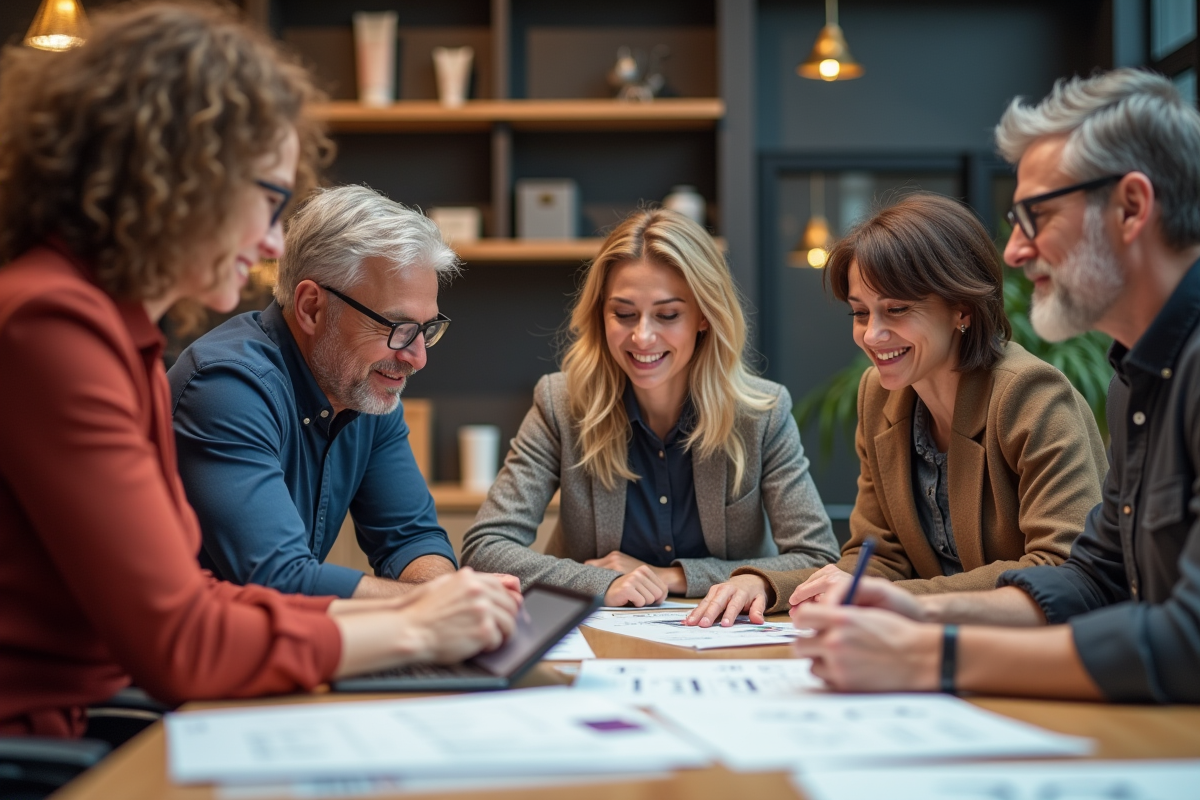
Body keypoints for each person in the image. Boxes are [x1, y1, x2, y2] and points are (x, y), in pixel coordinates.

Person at [0, 2, 517, 738]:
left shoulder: (120, 338)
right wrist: (419, 627)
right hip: (47, 746)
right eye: (270, 202)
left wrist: (427, 608)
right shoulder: (54, 326)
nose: (274, 243)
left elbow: (205, 600)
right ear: (176, 178)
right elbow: (184, 640)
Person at [788, 69, 1200, 703]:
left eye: (1036, 215)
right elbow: (1093, 579)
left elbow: (1186, 640)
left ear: (1132, 207)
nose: (1013, 252)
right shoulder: (1137, 379)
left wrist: (931, 654)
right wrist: (911, 612)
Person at [686, 194, 1107, 627]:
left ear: (961, 307)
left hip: (1038, 653)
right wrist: (770, 586)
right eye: (859, 313)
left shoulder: (1030, 395)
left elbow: (1062, 572)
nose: (873, 334)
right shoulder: (879, 395)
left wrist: (899, 599)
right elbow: (880, 558)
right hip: (926, 646)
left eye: (897, 310)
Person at [461, 209, 840, 606]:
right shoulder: (560, 403)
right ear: (601, 314)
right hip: (589, 633)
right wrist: (600, 582)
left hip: (720, 637)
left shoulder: (762, 413)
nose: (642, 336)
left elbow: (818, 560)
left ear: (704, 317)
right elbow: (485, 549)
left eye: (667, 315)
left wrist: (671, 576)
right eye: (623, 314)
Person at [169, 185, 462, 599]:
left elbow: (411, 539)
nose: (417, 358)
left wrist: (442, 591)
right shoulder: (225, 387)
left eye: (426, 330)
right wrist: (442, 602)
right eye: (397, 328)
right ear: (311, 307)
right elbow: (281, 580)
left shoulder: (364, 388)